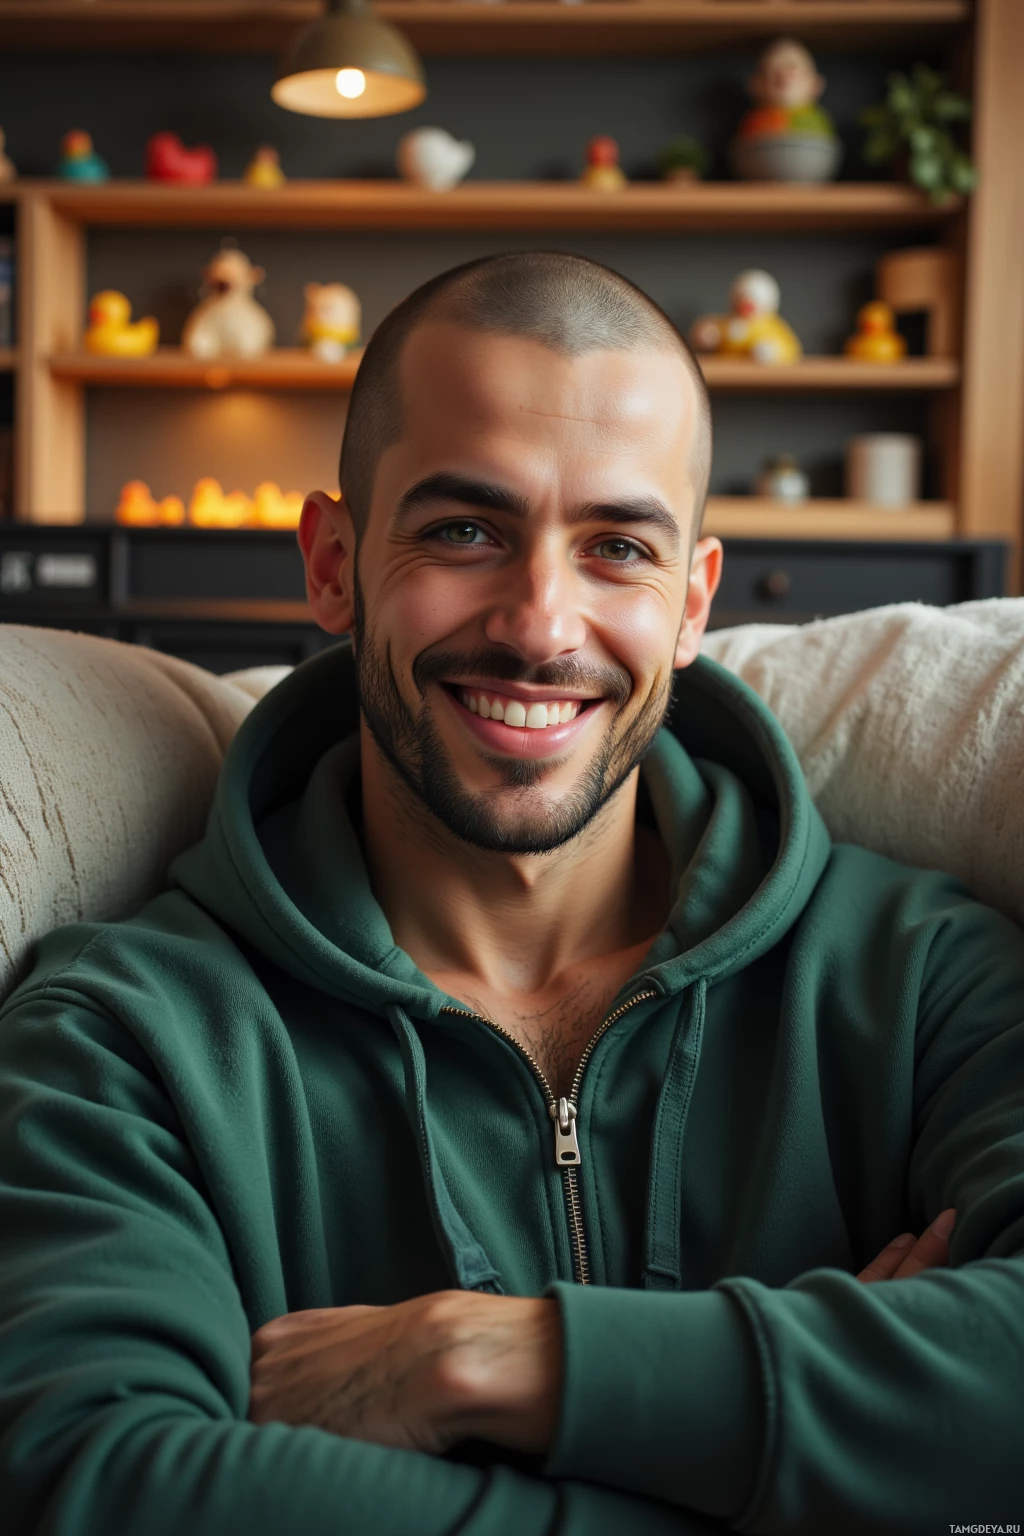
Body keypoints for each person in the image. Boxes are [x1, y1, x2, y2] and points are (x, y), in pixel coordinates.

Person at [0, 252, 1021, 1536]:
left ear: (692, 601)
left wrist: (496, 1361)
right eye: (463, 532)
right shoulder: (121, 1038)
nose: (541, 625)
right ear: (332, 563)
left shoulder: (924, 976)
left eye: (617, 548)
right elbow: (93, 1484)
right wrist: (836, 1455)